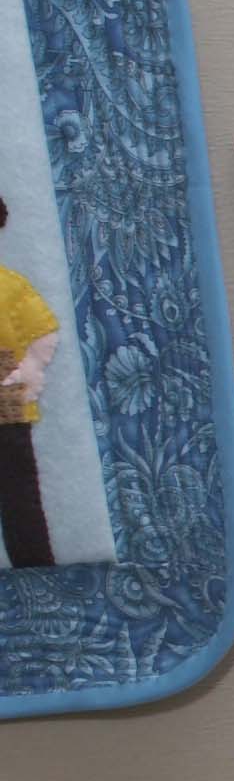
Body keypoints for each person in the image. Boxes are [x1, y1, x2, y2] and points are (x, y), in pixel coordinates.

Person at [0, 201, 58, 570]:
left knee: (16, 486)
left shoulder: (9, 286)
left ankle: (33, 563)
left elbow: (42, 333)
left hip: (5, 388)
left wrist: (30, 372)